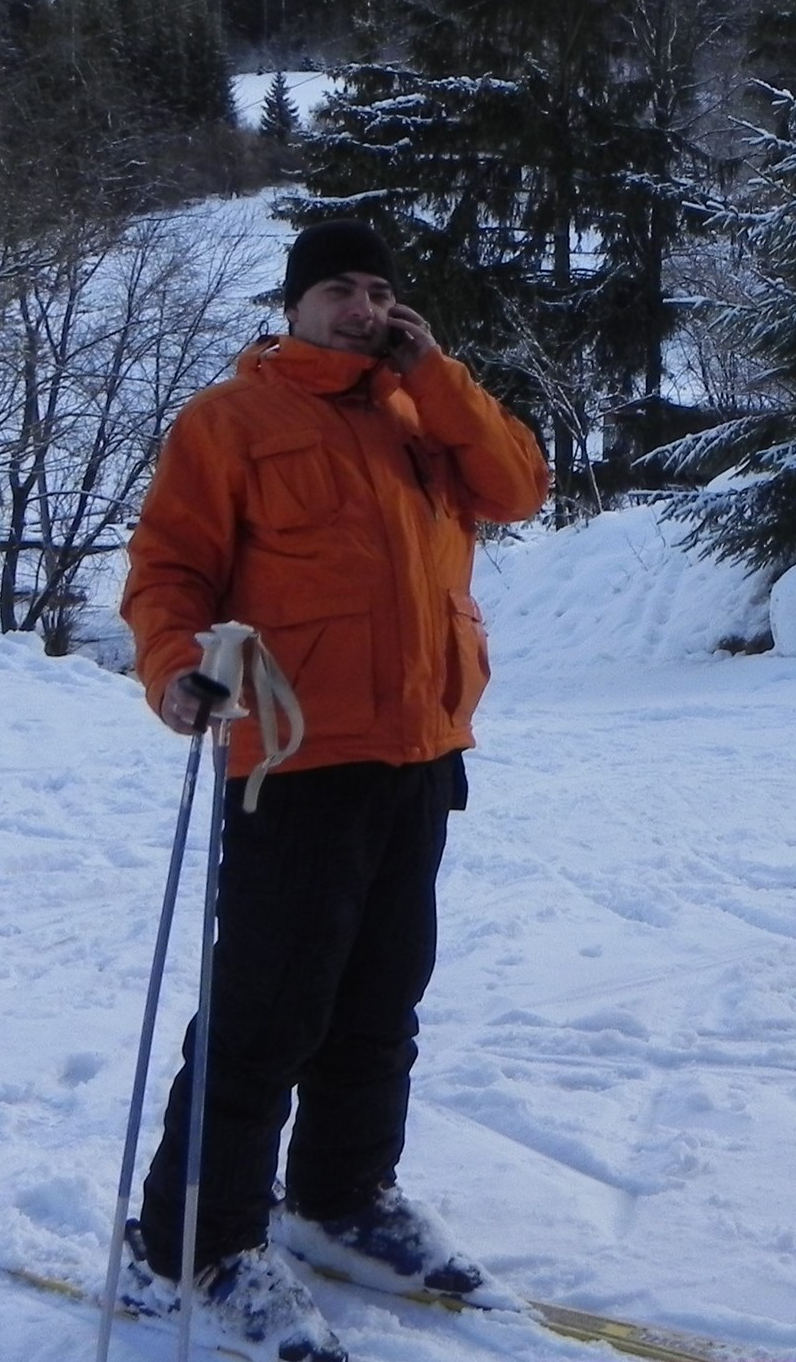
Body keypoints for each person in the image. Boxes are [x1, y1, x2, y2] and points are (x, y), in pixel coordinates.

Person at [116, 219, 549, 1362]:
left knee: (379, 1004)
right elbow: (168, 569)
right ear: (295, 304)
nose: (362, 309)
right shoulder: (231, 421)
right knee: (267, 1015)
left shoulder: (422, 410)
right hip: (293, 760)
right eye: (338, 291)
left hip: (419, 751)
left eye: (377, 290)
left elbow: (517, 489)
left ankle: (341, 1199)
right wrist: (175, 668)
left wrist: (436, 376)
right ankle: (190, 1248)